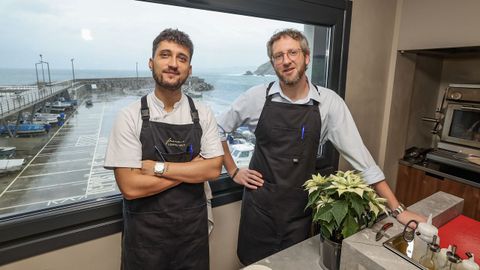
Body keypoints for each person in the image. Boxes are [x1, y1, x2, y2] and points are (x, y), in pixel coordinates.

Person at [217, 28, 426, 265]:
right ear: (273, 63)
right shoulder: (256, 97)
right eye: (278, 56)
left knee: (294, 264)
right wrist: (233, 170)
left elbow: (363, 160)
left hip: (299, 210)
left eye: (292, 52)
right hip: (259, 209)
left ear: (306, 57)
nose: (286, 61)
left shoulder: (329, 103)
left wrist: (398, 210)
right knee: (254, 265)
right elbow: (218, 130)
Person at [104, 29, 223, 270]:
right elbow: (130, 187)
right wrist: (192, 169)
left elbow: (212, 170)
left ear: (189, 69)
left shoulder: (203, 113)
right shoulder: (129, 117)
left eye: (182, 58)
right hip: (145, 242)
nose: (173, 64)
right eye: (165, 55)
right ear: (151, 63)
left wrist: (157, 168)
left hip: (192, 238)